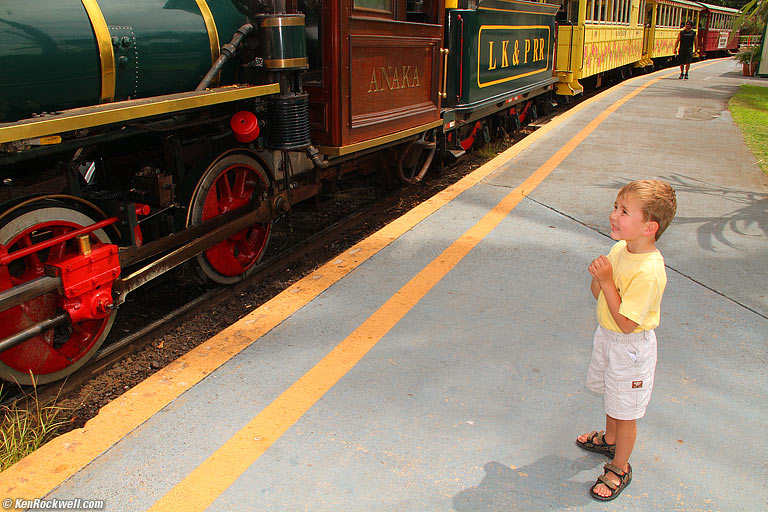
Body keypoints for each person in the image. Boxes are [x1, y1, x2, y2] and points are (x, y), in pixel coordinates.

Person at [576, 180, 677, 501]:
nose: (613, 215)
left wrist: (606, 280)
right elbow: (599, 296)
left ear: (649, 227)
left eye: (623, 211)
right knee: (611, 395)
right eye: (615, 207)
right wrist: (600, 278)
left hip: (630, 348)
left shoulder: (649, 271)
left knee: (626, 410)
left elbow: (626, 323)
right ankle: (610, 439)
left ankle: (620, 465)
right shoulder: (620, 249)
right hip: (607, 337)